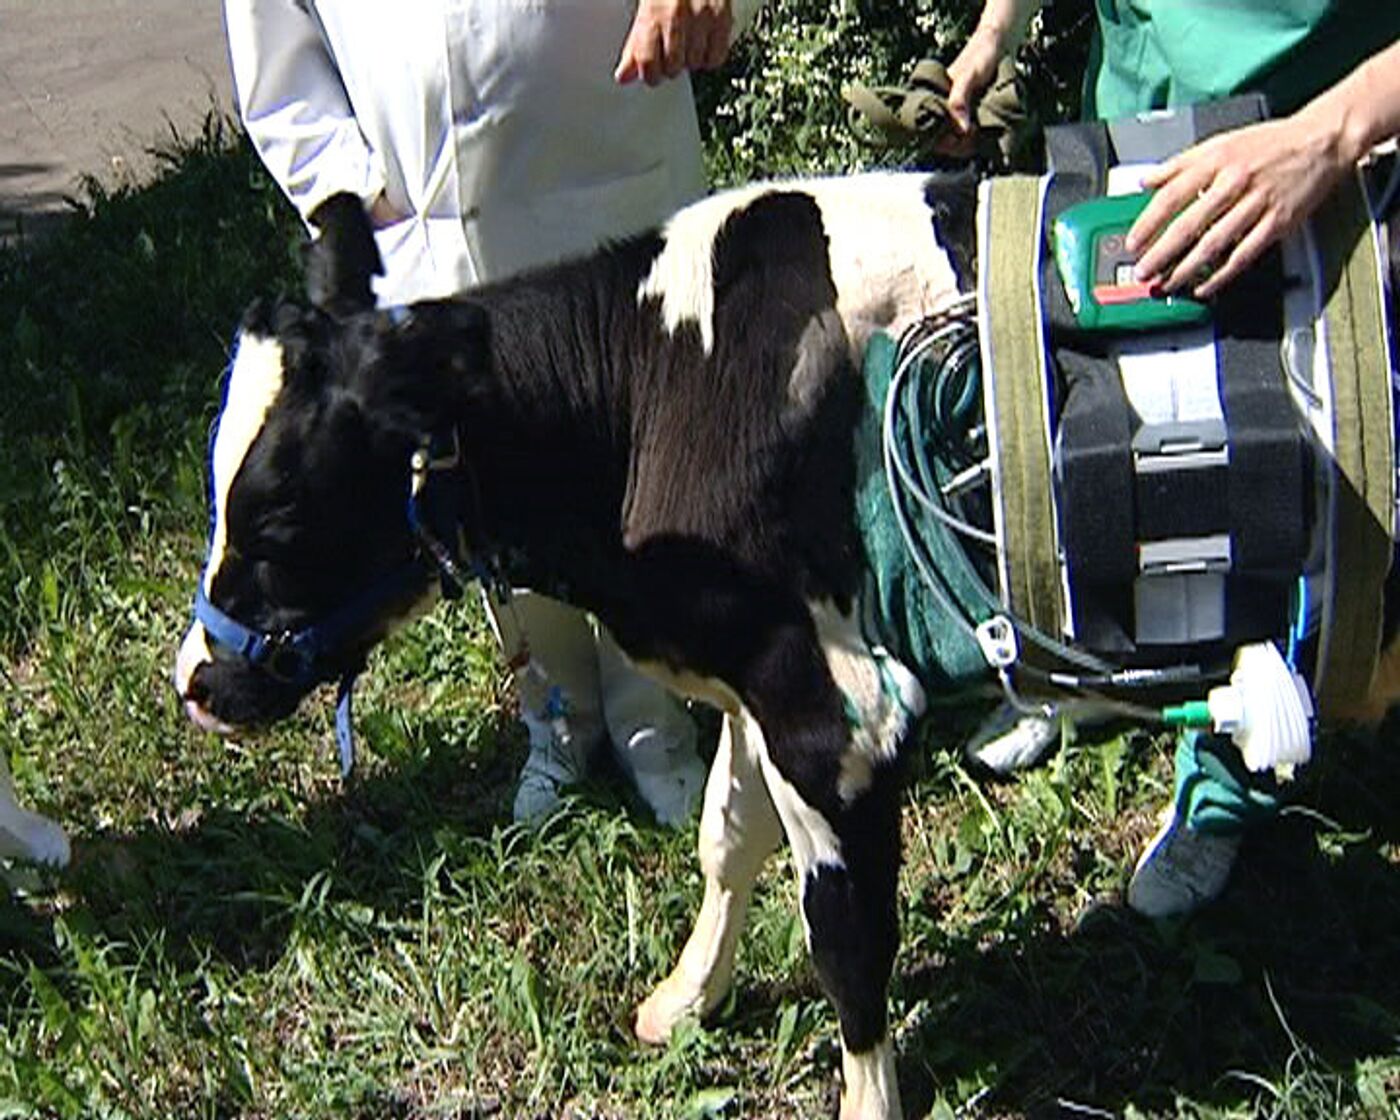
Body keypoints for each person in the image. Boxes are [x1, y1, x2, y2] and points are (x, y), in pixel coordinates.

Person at [223, 0, 763, 827]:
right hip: (424, 222)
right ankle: (558, 716)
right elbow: (274, 37)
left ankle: (655, 722)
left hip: (603, 168)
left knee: (638, 458)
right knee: (487, 485)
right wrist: (334, 189)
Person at [934, 0, 1400, 916]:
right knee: (1111, 431)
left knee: (1266, 490)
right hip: (1138, 130)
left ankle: (1229, 776)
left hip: (1310, 162)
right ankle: (1101, 670)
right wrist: (993, 38)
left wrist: (1326, 136)